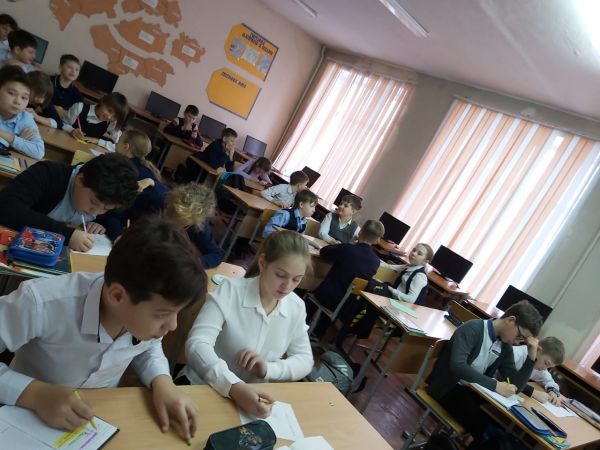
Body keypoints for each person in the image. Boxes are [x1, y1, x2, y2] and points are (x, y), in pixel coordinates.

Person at [0, 218, 206, 442]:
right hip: (22, 415)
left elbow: (148, 347)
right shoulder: (41, 302)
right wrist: (36, 394)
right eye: (162, 314)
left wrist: (162, 382)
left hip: (96, 420)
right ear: (117, 296)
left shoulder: (141, 316)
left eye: (177, 313)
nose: (173, 326)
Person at [178, 230, 314, 418]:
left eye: (296, 279)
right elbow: (197, 344)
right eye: (280, 275)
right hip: (202, 388)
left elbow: (305, 360)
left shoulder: (296, 307)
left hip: (251, 405)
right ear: (263, 263)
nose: (287, 286)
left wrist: (268, 369)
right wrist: (233, 386)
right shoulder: (230, 290)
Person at [426, 300, 544, 439]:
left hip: (471, 392)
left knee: (500, 427)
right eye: (520, 336)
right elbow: (458, 366)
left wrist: (531, 358)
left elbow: (515, 386)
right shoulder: (473, 328)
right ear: (511, 320)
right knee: (488, 430)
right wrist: (495, 385)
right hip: (447, 388)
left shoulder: (505, 345)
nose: (518, 342)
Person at [0, 153, 139, 252]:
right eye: (93, 202)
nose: (95, 212)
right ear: (80, 180)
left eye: (106, 209)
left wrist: (112, 232)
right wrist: (66, 234)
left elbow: (113, 218)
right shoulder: (48, 174)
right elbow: (7, 206)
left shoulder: (106, 197)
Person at [310, 220, 386, 339]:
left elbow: (324, 252)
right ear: (377, 240)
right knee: (338, 294)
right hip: (347, 306)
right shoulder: (376, 262)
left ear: (360, 232)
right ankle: (318, 332)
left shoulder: (347, 249)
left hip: (327, 297)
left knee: (314, 291)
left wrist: (349, 244)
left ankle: (304, 324)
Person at [99, 129, 169, 241]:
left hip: (136, 223)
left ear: (126, 147)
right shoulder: (145, 167)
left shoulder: (124, 170)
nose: (116, 143)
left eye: (119, 140)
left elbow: (114, 208)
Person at [164, 184, 223, 269]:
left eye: (182, 226)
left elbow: (216, 255)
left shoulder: (198, 225)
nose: (175, 227)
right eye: (170, 217)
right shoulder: (158, 201)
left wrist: (192, 263)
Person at [0, 65, 44, 159]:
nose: (18, 101)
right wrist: (19, 142)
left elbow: (39, 152)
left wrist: (10, 138)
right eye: (11, 93)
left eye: (24, 97)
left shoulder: (25, 118)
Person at [62, 92, 129, 152]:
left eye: (115, 116)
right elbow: (61, 123)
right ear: (103, 101)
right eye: (109, 111)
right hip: (66, 145)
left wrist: (98, 141)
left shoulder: (111, 123)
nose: (109, 117)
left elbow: (118, 146)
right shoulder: (79, 108)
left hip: (87, 152)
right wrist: (71, 130)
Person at [513, 336, 565, 406]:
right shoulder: (516, 353)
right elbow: (509, 378)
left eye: (549, 367)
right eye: (546, 363)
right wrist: (533, 393)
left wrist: (553, 392)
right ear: (538, 350)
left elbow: (549, 381)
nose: (545, 368)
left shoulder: (539, 364)